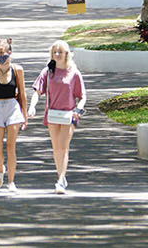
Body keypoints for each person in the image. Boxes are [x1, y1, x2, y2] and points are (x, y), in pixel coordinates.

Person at [29, 40, 87, 194]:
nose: (57, 55)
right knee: (56, 149)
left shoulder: (73, 73)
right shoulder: (48, 72)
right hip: (52, 114)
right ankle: (61, 174)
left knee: (63, 147)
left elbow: (82, 96)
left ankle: (60, 181)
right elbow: (37, 91)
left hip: (69, 114)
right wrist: (32, 106)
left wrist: (78, 109)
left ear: (66, 54)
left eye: (60, 52)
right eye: (54, 52)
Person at [0, 38, 27, 192]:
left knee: (10, 146)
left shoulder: (17, 70)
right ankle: (1, 168)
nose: (0, 56)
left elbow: (22, 93)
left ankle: (11, 181)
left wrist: (24, 115)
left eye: (2, 53)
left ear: (9, 52)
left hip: (12, 107)